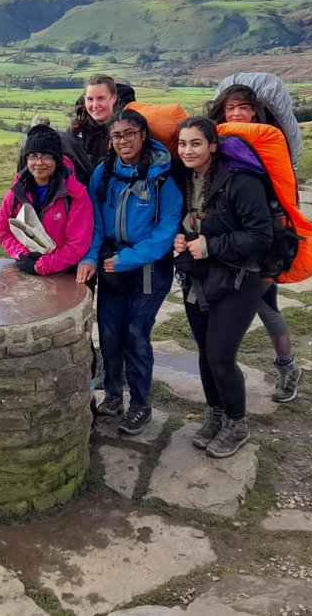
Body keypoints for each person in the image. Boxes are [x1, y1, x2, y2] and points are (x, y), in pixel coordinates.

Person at [77, 109, 182, 435]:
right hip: (111, 265)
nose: (123, 141)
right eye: (117, 135)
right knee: (109, 334)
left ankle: (140, 404)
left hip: (149, 269)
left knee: (136, 334)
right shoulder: (103, 173)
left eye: (129, 134)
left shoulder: (164, 176)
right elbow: (93, 222)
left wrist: (128, 259)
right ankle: (112, 396)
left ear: (143, 136)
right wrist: (92, 258)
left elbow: (166, 231)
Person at [173, 115, 273, 458]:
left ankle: (237, 424)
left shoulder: (241, 182)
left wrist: (210, 247)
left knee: (220, 355)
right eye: (183, 144)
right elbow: (189, 221)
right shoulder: (185, 179)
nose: (188, 150)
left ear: (213, 145)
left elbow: (261, 235)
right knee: (204, 352)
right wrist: (181, 239)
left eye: (196, 143)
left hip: (240, 278)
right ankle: (215, 415)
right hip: (199, 276)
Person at [207, 84, 303, 403]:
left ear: (254, 111)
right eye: (230, 108)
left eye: (242, 108)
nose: (236, 114)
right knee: (267, 306)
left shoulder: (268, 143)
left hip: (264, 240)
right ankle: (287, 367)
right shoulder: (220, 143)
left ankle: (284, 369)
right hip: (236, 238)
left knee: (260, 306)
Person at [0, 124, 93, 276]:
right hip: (26, 269)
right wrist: (22, 255)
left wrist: (41, 266)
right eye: (33, 156)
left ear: (57, 159)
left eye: (46, 156)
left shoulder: (75, 194)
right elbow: (3, 230)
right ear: (26, 159)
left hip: (65, 274)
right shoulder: (17, 191)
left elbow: (77, 245)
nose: (39, 162)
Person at [59, 74, 135, 183]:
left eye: (101, 98)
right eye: (90, 99)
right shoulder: (75, 130)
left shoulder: (128, 129)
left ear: (114, 98)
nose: (95, 105)